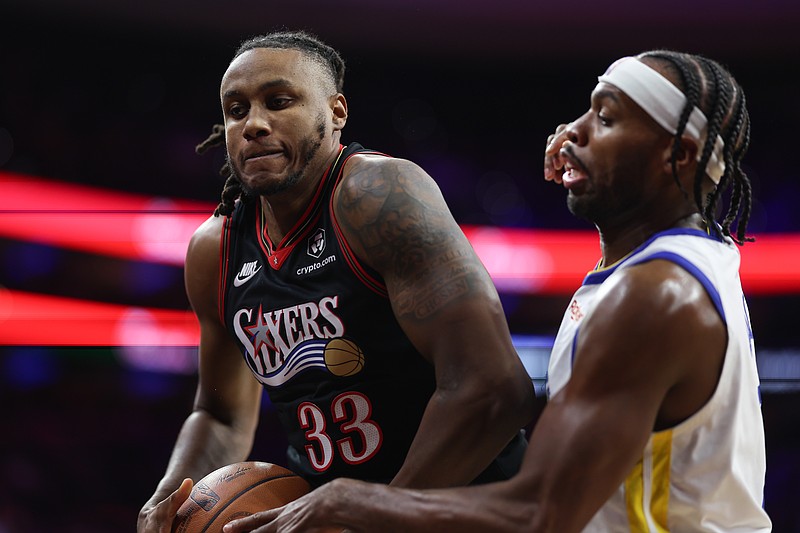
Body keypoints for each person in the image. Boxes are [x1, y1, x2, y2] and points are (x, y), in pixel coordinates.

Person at [224, 50, 773, 532]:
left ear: (678, 157)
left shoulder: (651, 296)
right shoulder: (694, 256)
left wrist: (357, 501)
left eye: (604, 118)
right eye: (584, 110)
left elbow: (541, 514)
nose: (571, 131)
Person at [136, 30, 536, 532]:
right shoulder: (215, 249)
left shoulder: (378, 196)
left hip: (461, 508)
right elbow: (220, 414)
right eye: (236, 109)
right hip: (336, 514)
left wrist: (374, 514)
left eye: (278, 102)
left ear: (337, 112)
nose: (253, 123)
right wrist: (169, 497)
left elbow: (495, 389)